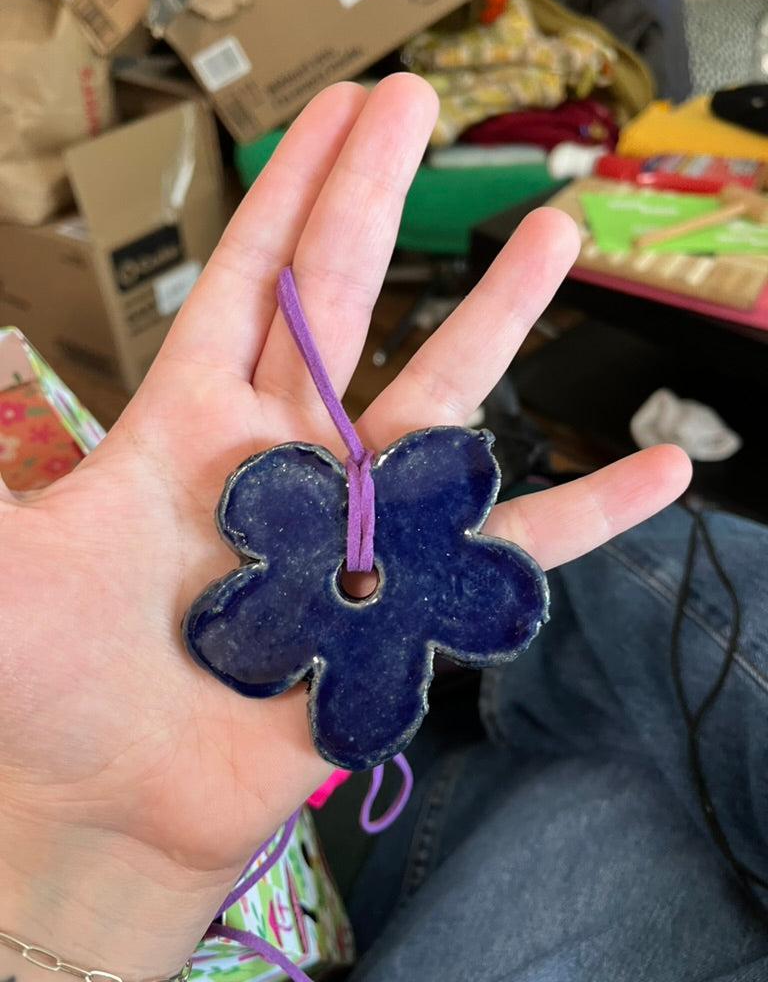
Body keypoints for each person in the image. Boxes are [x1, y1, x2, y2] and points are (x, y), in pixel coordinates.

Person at [0, 73, 764, 982]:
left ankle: (505, 687)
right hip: (362, 839)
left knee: (644, 762)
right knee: (673, 722)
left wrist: (50, 862)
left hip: (353, 788)